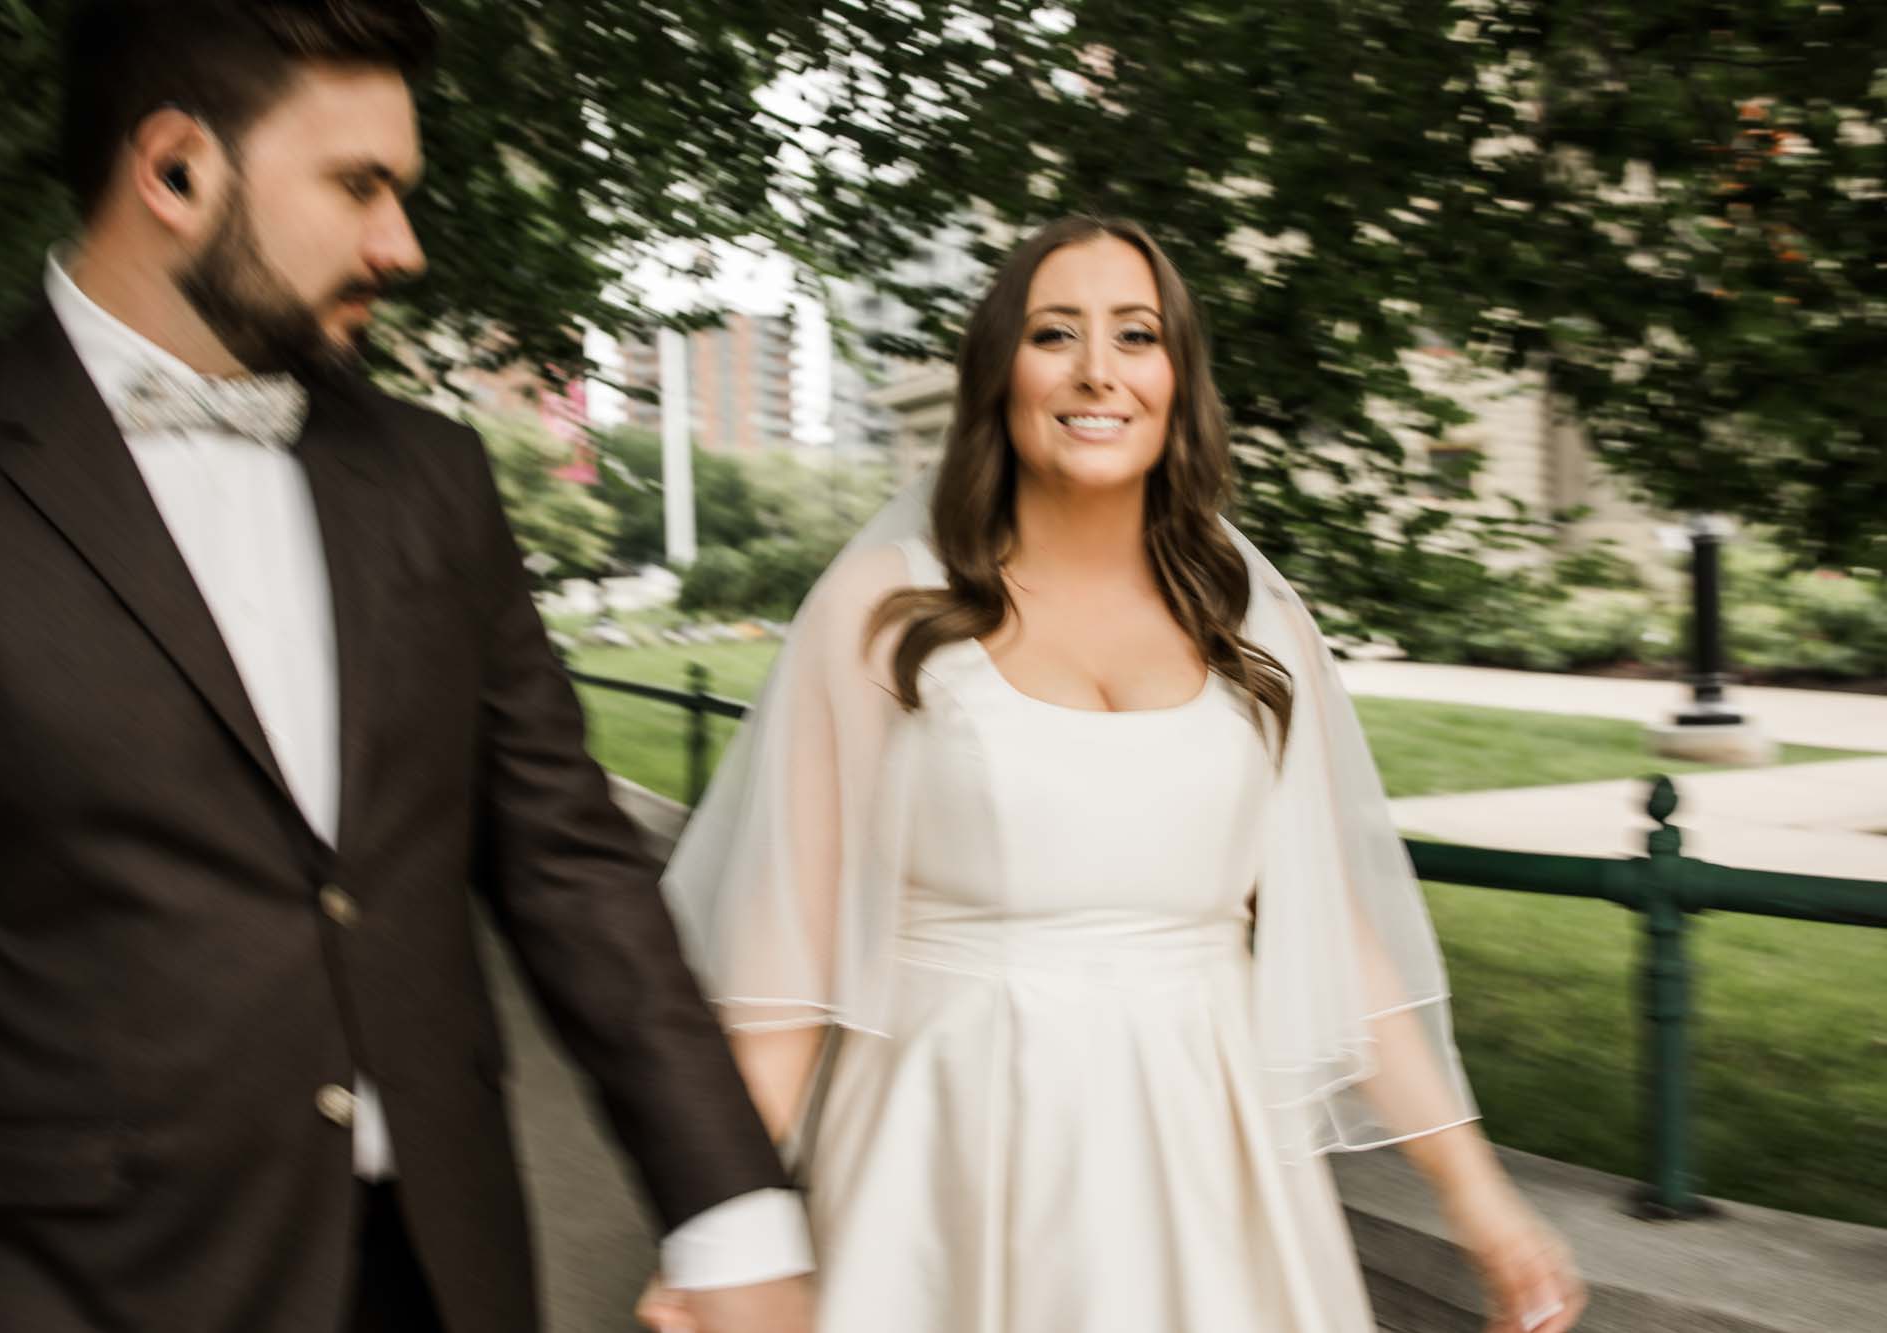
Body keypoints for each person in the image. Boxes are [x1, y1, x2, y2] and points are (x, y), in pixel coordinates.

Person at [0, 2, 814, 1329]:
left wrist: (733, 1224)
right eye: (358, 185)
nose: (404, 244)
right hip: (66, 1291)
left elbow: (574, 870)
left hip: (435, 1274)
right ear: (174, 170)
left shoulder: (435, 480)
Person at [650, 216, 1588, 1332]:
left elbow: (1334, 940)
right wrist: (719, 1232)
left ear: (1176, 380)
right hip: (944, 1150)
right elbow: (781, 967)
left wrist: (1480, 1199)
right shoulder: (882, 614)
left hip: (1205, 1153)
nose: (1097, 368)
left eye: (1134, 335)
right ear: (998, 373)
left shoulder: (1256, 630)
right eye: (1055, 333)